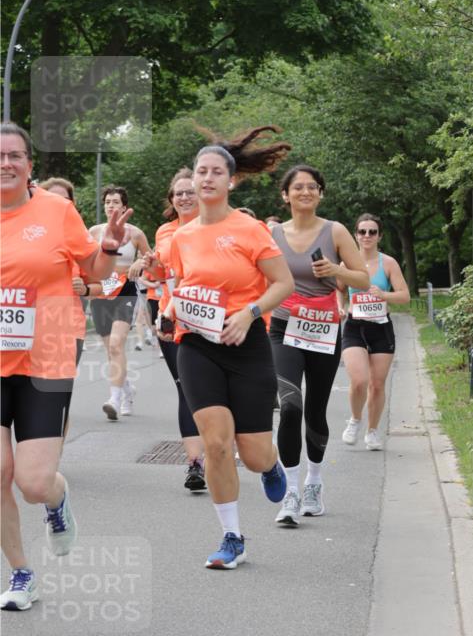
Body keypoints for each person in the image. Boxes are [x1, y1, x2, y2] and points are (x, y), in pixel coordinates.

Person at [0, 122, 131, 611]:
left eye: (15, 155)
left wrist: (111, 247)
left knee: (32, 482)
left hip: (46, 355)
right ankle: (21, 574)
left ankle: (56, 500)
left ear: (30, 165)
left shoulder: (57, 211)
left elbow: (93, 270)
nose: (5, 164)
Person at [160, 127, 294, 569]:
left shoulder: (250, 229)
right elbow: (181, 286)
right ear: (193, 180)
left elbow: (283, 283)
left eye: (217, 171)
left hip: (247, 343)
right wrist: (170, 309)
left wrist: (250, 313)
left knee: (252, 454)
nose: (208, 178)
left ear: (231, 181)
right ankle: (232, 537)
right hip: (197, 345)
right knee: (216, 445)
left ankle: (272, 465)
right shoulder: (180, 237)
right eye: (201, 171)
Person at [269, 165, 369, 527]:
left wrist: (336, 272)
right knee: (290, 405)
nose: (305, 192)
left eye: (312, 187)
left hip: (324, 328)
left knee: (315, 409)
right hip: (283, 327)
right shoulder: (273, 234)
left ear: (321, 194)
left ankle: (314, 481)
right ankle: (291, 491)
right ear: (286, 195)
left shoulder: (335, 231)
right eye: (298, 187)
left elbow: (363, 278)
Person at [136, 168, 207, 491]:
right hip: (173, 319)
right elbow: (161, 272)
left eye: (189, 191)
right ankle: (195, 463)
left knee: (214, 391)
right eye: (178, 193)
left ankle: (220, 448)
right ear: (172, 199)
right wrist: (147, 268)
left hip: (211, 318)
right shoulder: (165, 231)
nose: (184, 197)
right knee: (186, 388)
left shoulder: (214, 227)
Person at [340, 213, 410, 450]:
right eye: (362, 232)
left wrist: (384, 295)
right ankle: (355, 420)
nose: (367, 236)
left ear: (379, 236)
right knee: (359, 380)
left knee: (377, 384)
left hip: (381, 326)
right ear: (355, 235)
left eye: (372, 232)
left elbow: (405, 296)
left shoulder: (388, 263)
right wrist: (341, 307)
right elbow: (338, 291)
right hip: (354, 326)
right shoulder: (346, 264)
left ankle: (372, 432)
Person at [88, 186, 150, 420]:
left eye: (116, 202)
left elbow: (151, 257)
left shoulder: (135, 233)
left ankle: (114, 398)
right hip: (102, 290)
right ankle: (126, 390)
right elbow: (83, 258)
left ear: (124, 206)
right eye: (108, 202)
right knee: (110, 350)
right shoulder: (94, 232)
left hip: (125, 290)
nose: (111, 205)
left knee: (116, 344)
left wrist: (141, 263)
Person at [40, 177, 90, 367]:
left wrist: (85, 289)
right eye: (51, 198)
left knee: (57, 393)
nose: (58, 204)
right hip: (27, 330)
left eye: (64, 200)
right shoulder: (21, 235)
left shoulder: (80, 239)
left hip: (69, 328)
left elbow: (103, 283)